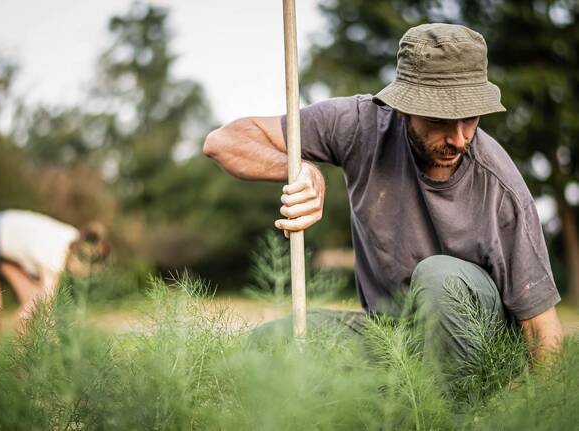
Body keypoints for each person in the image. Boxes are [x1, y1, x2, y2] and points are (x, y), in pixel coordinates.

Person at [203, 23, 563, 365]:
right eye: (439, 120)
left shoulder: (499, 185)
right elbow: (224, 142)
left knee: (438, 278)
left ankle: (456, 413)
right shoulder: (360, 125)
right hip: (391, 337)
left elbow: (541, 327)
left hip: (480, 349)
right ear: (404, 106)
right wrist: (300, 169)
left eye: (470, 118)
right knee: (272, 342)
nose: (458, 138)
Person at [0, 209, 110, 338]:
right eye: (87, 269)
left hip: (6, 249)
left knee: (33, 302)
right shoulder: (54, 258)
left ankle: (21, 359)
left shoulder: (78, 240)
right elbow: (42, 313)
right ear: (78, 258)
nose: (85, 276)